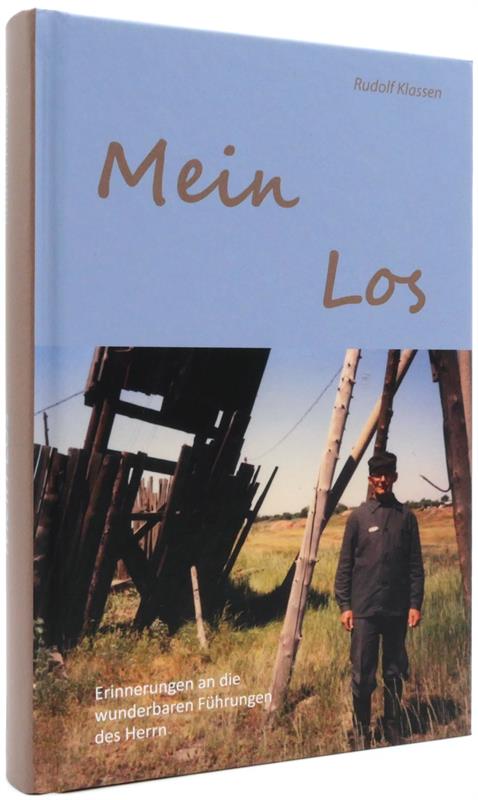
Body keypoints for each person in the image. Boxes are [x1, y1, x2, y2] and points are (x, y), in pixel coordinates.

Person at [334, 451, 424, 748]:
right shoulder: (357, 518)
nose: (382, 479)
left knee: (395, 671)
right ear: (370, 479)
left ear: (394, 477)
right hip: (364, 609)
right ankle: (362, 730)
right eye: (377, 475)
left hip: (397, 609)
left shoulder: (406, 517)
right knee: (362, 674)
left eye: (387, 474)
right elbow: (345, 565)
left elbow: (415, 566)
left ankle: (392, 725)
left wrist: (415, 603)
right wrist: (345, 605)